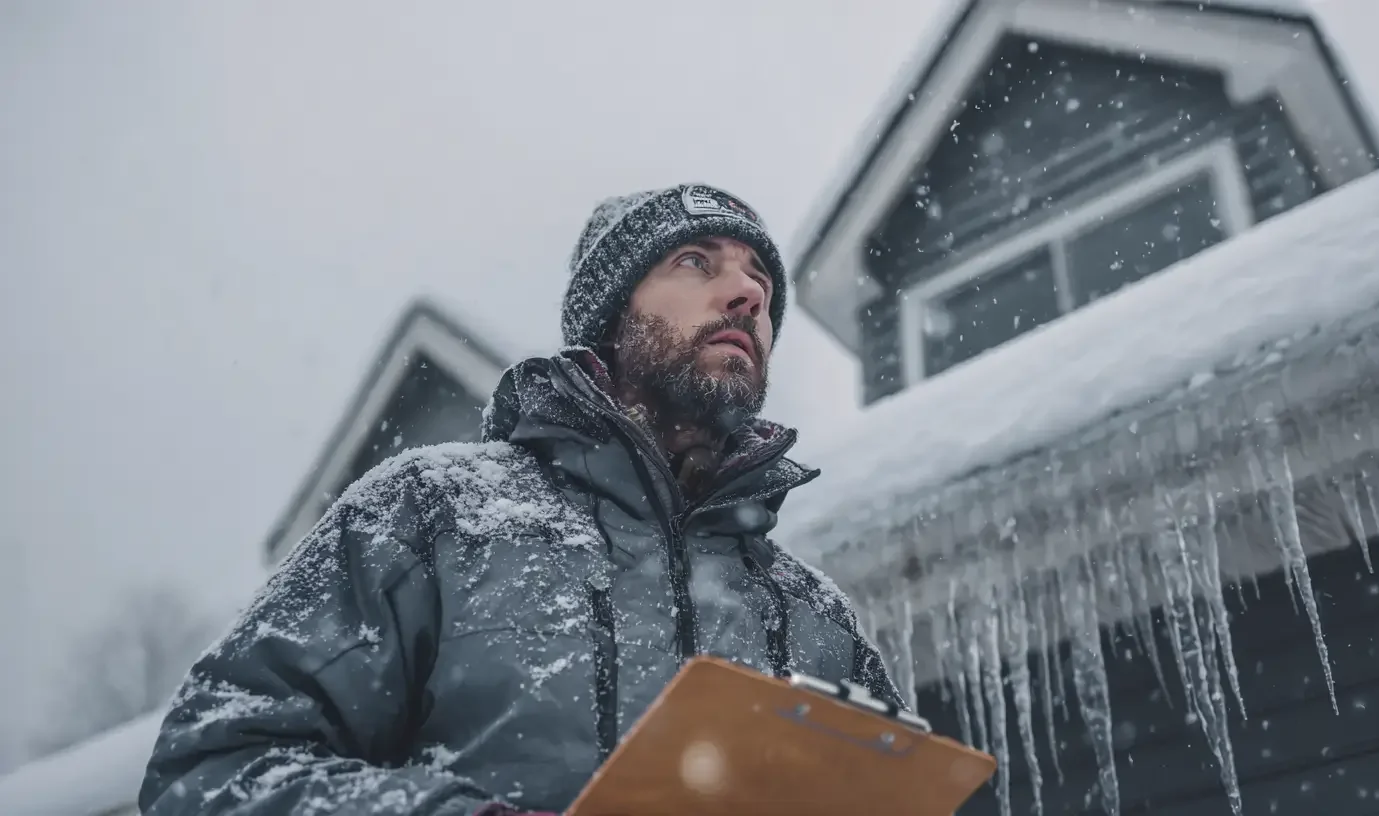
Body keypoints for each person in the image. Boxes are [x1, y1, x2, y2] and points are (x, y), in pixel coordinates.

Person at [139, 183, 905, 815]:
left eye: (762, 287)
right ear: (609, 315)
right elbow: (209, 769)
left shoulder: (814, 617)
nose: (745, 294)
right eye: (696, 261)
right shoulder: (430, 516)